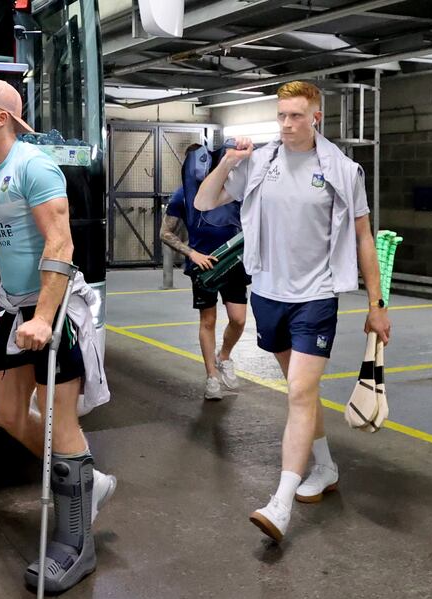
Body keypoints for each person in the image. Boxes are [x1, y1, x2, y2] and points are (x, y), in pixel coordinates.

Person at [194, 81, 391, 542]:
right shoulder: (261, 161)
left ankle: (280, 502)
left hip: (316, 296)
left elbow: (364, 238)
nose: (286, 124)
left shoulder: (342, 169)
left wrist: (376, 304)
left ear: (316, 117)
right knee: (300, 391)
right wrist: (228, 161)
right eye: (281, 115)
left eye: (296, 116)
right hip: (267, 293)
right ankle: (324, 467)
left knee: (300, 392)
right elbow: (204, 201)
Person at [0, 80, 114, 593]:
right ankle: (88, 482)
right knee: (5, 411)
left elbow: (61, 241)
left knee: (57, 419)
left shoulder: (35, 167)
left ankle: (76, 546)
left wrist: (45, 317)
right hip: (13, 308)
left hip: (54, 309)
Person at [160, 143, 248, 400]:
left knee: (239, 319)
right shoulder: (182, 196)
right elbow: (165, 232)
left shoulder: (233, 192)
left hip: (233, 262)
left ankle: (224, 357)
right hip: (203, 265)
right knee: (207, 321)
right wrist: (191, 253)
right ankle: (211, 376)